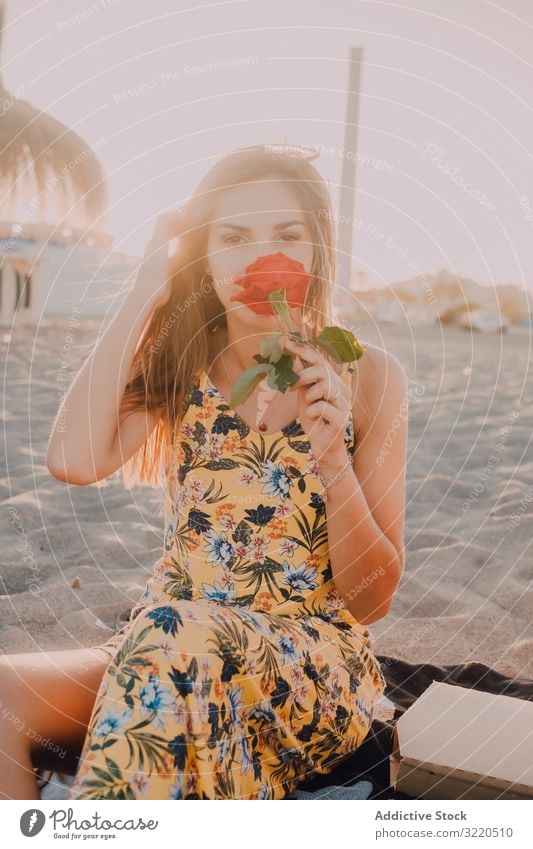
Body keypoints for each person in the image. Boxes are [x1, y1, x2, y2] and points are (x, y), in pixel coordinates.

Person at [0, 143, 408, 800]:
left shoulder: (367, 378)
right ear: (203, 254)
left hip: (303, 668)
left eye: (285, 234)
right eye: (233, 236)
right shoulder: (181, 365)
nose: (259, 256)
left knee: (174, 635)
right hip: (165, 642)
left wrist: (332, 458)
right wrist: (143, 292)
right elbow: (71, 460)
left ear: (317, 249)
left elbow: (372, 599)